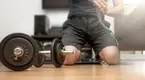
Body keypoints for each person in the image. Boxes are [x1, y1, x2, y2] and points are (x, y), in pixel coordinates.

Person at [61, 0, 124, 65]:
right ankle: (77, 53)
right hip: (75, 24)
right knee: (67, 57)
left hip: (98, 24)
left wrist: (106, 10)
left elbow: (120, 9)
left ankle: (102, 52)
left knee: (112, 57)